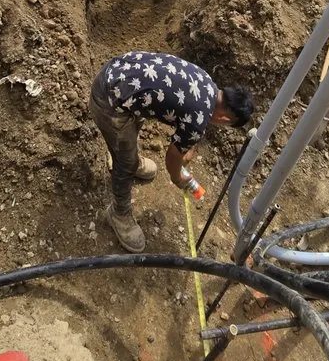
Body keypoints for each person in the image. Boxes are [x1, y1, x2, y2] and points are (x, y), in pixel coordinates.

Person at [88, 51, 254, 252]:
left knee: (137, 118)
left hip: (115, 73)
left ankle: (129, 158)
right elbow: (172, 157)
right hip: (107, 101)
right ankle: (119, 214)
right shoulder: (198, 120)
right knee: (125, 162)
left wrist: (187, 145)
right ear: (225, 120)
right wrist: (178, 177)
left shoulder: (206, 81)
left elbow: (185, 114)